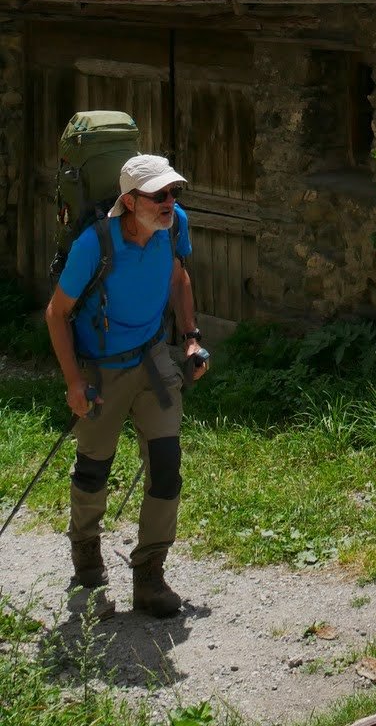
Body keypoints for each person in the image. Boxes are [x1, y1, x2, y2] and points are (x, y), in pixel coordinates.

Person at [45, 153, 207, 619]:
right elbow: (56, 313)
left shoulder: (173, 224)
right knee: (93, 470)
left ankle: (150, 576)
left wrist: (191, 337)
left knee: (167, 468)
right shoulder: (94, 244)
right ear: (130, 201)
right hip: (101, 368)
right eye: (159, 195)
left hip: (153, 358)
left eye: (173, 192)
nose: (169, 202)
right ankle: (88, 566)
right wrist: (74, 382)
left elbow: (179, 277)